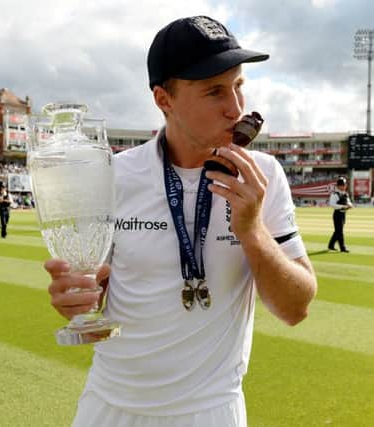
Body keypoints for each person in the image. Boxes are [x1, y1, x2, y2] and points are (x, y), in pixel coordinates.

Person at [45, 16, 317, 427]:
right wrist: (77, 301)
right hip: (110, 406)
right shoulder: (114, 175)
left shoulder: (264, 176)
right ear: (163, 99)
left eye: (239, 85)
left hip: (210, 411)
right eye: (214, 91)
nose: (236, 108)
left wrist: (252, 231)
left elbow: (296, 308)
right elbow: (94, 295)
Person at [327, 176, 353, 252]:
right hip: (337, 214)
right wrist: (343, 206)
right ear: (339, 186)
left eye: (345, 184)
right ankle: (342, 248)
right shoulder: (334, 194)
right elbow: (332, 204)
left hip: (343, 214)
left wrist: (350, 205)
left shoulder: (345, 194)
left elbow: (348, 201)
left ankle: (331, 245)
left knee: (337, 231)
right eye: (343, 185)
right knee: (340, 231)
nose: (345, 186)